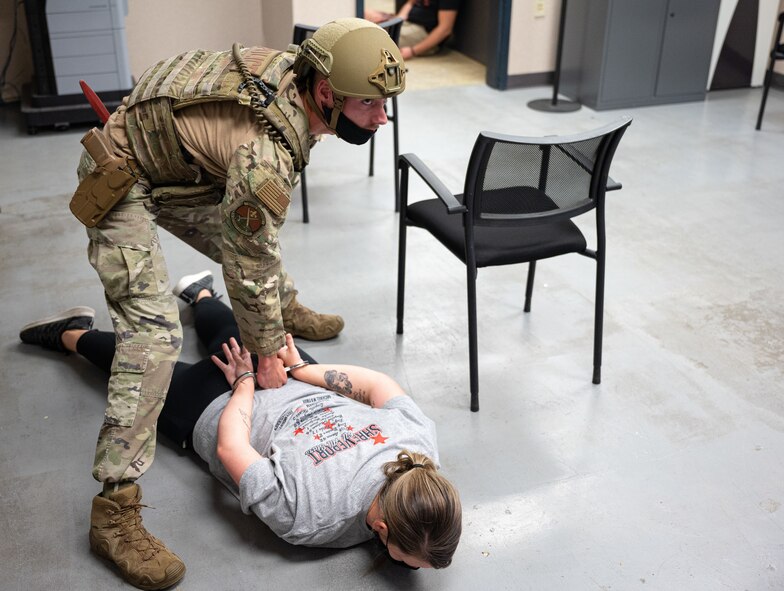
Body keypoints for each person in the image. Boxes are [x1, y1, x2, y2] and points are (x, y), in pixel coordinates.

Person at [65, 17, 406, 589]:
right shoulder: (263, 157)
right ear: (326, 93)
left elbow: (253, 241)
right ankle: (114, 512)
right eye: (371, 104)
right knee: (154, 339)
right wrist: (269, 354)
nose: (382, 116)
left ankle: (284, 310)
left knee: (253, 236)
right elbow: (248, 262)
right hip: (122, 175)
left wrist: (271, 322)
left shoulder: (297, 82)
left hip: (179, 166)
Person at [19, 271, 462, 574]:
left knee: (145, 365)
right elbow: (377, 386)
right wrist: (293, 370)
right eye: (412, 563)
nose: (412, 570)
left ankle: (73, 333)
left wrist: (248, 383)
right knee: (218, 338)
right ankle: (198, 298)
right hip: (279, 378)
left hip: (223, 405)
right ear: (383, 531)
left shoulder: (421, 454)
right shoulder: (313, 520)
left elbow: (234, 448)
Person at [365, 0, 460, 60]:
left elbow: (445, 29)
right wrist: (398, 19)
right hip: (406, 21)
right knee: (364, 12)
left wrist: (412, 51)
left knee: (368, 39)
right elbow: (410, 3)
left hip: (423, 31)